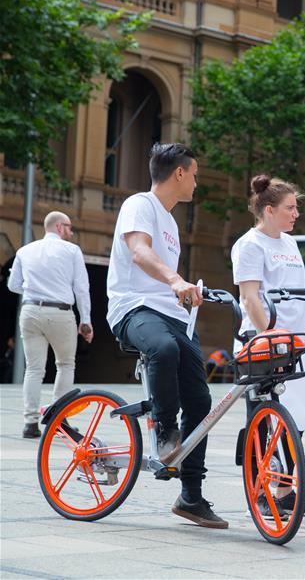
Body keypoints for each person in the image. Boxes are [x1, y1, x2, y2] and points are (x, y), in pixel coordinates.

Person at [107, 143, 227, 529]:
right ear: (180, 173)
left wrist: (188, 292)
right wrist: (176, 279)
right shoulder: (139, 205)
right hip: (132, 309)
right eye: (194, 174)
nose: (196, 182)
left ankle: (190, 496)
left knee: (202, 402)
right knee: (162, 347)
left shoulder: (172, 223)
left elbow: (163, 276)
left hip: (172, 316)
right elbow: (140, 252)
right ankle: (164, 429)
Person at [231, 174, 305, 519]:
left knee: (302, 410)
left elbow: (297, 300)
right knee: (265, 421)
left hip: (296, 340)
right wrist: (272, 335)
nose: (296, 214)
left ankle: (284, 489)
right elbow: (250, 298)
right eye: (290, 208)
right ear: (269, 210)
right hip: (263, 342)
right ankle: (262, 493)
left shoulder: (290, 245)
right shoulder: (249, 245)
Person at [7, 211, 93, 438]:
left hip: (30, 311)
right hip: (60, 312)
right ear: (58, 227)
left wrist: (34, 288)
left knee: (34, 369)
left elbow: (13, 285)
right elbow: (82, 288)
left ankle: (30, 423)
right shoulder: (72, 251)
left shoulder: (24, 251)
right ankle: (59, 419)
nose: (71, 232)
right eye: (69, 227)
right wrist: (85, 320)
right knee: (65, 364)